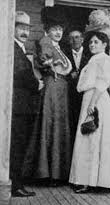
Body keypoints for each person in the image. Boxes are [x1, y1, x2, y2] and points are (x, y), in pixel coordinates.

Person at [69, 31, 110, 193]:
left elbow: (103, 82)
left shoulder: (106, 60)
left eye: (96, 42)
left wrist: (93, 103)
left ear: (104, 45)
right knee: (88, 138)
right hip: (89, 98)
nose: (92, 45)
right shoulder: (93, 60)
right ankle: (88, 179)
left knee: (96, 138)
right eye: (90, 43)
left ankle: (101, 181)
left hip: (98, 100)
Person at [22, 6, 73, 186]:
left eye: (60, 29)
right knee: (51, 126)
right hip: (52, 89)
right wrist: (52, 62)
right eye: (54, 29)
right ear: (48, 30)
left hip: (60, 91)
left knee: (57, 127)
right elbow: (44, 61)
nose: (58, 32)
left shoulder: (56, 46)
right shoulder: (46, 42)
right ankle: (48, 173)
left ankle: (55, 173)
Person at [11, 11, 43, 197]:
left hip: (22, 107)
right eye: (20, 27)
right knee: (17, 147)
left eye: (27, 28)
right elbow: (21, 74)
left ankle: (16, 184)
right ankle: (15, 186)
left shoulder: (20, 47)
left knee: (18, 147)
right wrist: (36, 84)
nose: (25, 31)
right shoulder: (14, 49)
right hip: (19, 107)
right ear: (13, 28)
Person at [64, 26, 85, 140]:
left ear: (82, 39)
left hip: (85, 96)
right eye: (71, 38)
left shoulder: (90, 54)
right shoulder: (64, 55)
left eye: (77, 37)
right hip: (70, 97)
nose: (74, 40)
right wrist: (69, 77)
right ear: (68, 41)